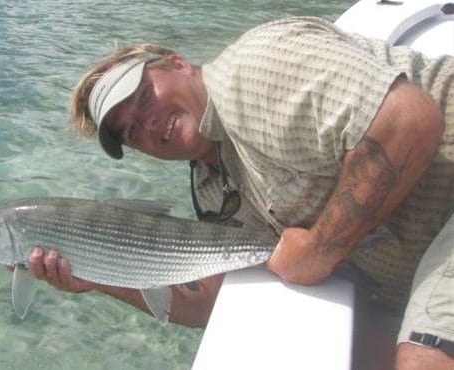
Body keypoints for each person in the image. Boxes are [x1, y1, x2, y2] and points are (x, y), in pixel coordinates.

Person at [28, 17, 453, 369]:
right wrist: (99, 277)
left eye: (144, 96)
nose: (149, 124)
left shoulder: (252, 70)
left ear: (178, 64)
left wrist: (321, 247)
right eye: (133, 132)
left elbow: (410, 119)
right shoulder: (213, 190)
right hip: (411, 267)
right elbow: (209, 303)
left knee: (421, 359)